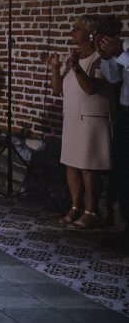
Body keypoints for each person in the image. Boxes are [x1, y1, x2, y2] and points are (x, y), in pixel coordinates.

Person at [47, 14, 112, 229]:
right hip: (72, 119)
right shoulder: (72, 57)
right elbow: (57, 90)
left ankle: (91, 211)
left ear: (90, 33)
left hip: (91, 121)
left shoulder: (100, 58)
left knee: (88, 168)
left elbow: (91, 88)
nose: (72, 32)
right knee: (71, 165)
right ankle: (75, 207)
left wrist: (75, 67)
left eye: (77, 28)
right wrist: (56, 68)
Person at [98, 16, 128, 236]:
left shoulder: (124, 50)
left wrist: (120, 55)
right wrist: (108, 58)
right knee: (121, 168)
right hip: (125, 114)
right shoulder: (126, 46)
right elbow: (115, 78)